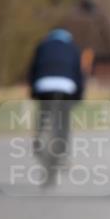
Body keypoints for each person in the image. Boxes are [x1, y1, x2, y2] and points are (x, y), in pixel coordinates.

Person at [28, 28, 85, 180]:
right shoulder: (73, 48)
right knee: (63, 123)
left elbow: (33, 70)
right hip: (65, 87)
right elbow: (79, 74)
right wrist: (79, 96)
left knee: (43, 112)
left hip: (44, 85)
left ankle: (40, 134)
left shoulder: (42, 46)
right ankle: (63, 154)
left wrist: (33, 92)